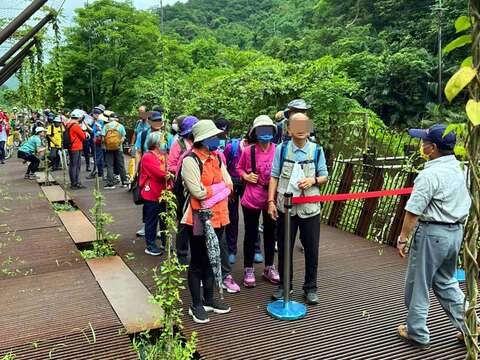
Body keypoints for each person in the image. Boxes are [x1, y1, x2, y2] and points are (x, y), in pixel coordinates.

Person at [396, 124, 472, 350]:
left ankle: (417, 332)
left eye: (424, 142)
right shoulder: (463, 170)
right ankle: (470, 329)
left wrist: (403, 238)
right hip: (455, 233)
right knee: (446, 281)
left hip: (432, 234)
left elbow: (413, 211)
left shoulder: (429, 174)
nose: (422, 145)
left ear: (433, 148)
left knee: (419, 284)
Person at [268, 113, 328, 305]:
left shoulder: (317, 150)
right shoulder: (282, 149)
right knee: (284, 247)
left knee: (311, 248)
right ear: (288, 129)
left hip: (310, 207)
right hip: (286, 208)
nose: (301, 128)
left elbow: (324, 176)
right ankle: (285, 286)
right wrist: (270, 201)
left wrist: (313, 180)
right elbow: (274, 176)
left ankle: (310, 287)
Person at [181, 120, 232, 323]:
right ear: (202, 139)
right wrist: (220, 188)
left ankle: (210, 299)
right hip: (199, 219)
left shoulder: (218, 157)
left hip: (220, 216)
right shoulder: (190, 161)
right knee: (198, 261)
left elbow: (229, 184)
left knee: (213, 259)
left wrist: (216, 189)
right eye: (213, 136)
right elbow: (197, 192)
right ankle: (196, 304)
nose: (217, 139)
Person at [238, 115, 280, 287]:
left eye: (268, 130)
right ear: (255, 132)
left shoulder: (278, 150)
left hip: (271, 197)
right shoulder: (249, 151)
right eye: (261, 130)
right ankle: (248, 268)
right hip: (252, 197)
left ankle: (269, 266)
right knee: (251, 233)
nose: (265, 134)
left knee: (271, 233)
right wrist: (246, 176)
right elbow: (239, 168)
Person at [224, 133, 263, 264]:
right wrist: (228, 190)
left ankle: (256, 249)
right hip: (233, 185)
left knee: (251, 220)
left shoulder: (257, 150)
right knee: (232, 218)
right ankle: (231, 250)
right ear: (245, 142)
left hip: (249, 185)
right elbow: (223, 168)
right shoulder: (231, 148)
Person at [135, 111, 173, 239]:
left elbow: (171, 153)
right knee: (149, 208)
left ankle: (162, 238)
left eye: (160, 121)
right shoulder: (144, 134)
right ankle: (148, 231)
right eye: (155, 121)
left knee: (163, 212)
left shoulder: (168, 136)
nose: (158, 123)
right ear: (150, 122)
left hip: (163, 176)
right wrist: (136, 170)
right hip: (149, 171)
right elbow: (138, 151)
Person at [140, 131, 169, 256]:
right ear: (157, 143)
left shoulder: (162, 155)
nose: (164, 143)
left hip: (163, 192)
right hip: (152, 193)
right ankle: (150, 245)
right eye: (162, 141)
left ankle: (164, 242)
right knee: (151, 220)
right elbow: (161, 173)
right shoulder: (148, 156)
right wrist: (170, 172)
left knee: (164, 219)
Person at [102, 113, 129, 189]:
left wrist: (106, 145)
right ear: (116, 119)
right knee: (121, 165)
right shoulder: (120, 126)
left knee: (110, 165)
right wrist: (118, 144)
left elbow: (103, 139)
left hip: (108, 149)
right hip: (118, 148)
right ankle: (124, 182)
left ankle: (110, 184)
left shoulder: (106, 126)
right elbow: (123, 137)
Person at [67, 109, 87, 189]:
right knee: (76, 165)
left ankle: (74, 182)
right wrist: (86, 133)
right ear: (78, 117)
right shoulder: (75, 125)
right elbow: (83, 136)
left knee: (72, 165)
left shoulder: (68, 124)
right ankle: (75, 183)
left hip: (70, 146)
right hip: (76, 147)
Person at [87, 105, 106, 179]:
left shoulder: (99, 122)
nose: (92, 115)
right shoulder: (99, 121)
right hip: (98, 140)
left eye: (94, 114)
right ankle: (100, 172)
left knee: (97, 157)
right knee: (99, 157)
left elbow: (93, 131)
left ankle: (96, 171)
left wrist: (86, 125)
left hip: (98, 141)